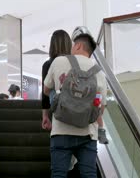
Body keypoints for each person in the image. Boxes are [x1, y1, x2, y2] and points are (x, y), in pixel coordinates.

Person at [44, 26, 107, 177]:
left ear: (78, 45)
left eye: (73, 45)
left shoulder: (59, 61)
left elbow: (46, 91)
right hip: (87, 133)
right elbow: (101, 107)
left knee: (58, 174)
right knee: (89, 174)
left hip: (61, 131)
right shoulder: (99, 72)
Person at [41, 30, 72, 131]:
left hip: (58, 111)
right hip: (76, 105)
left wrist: (45, 116)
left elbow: (45, 94)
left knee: (50, 89)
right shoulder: (76, 62)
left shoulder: (48, 64)